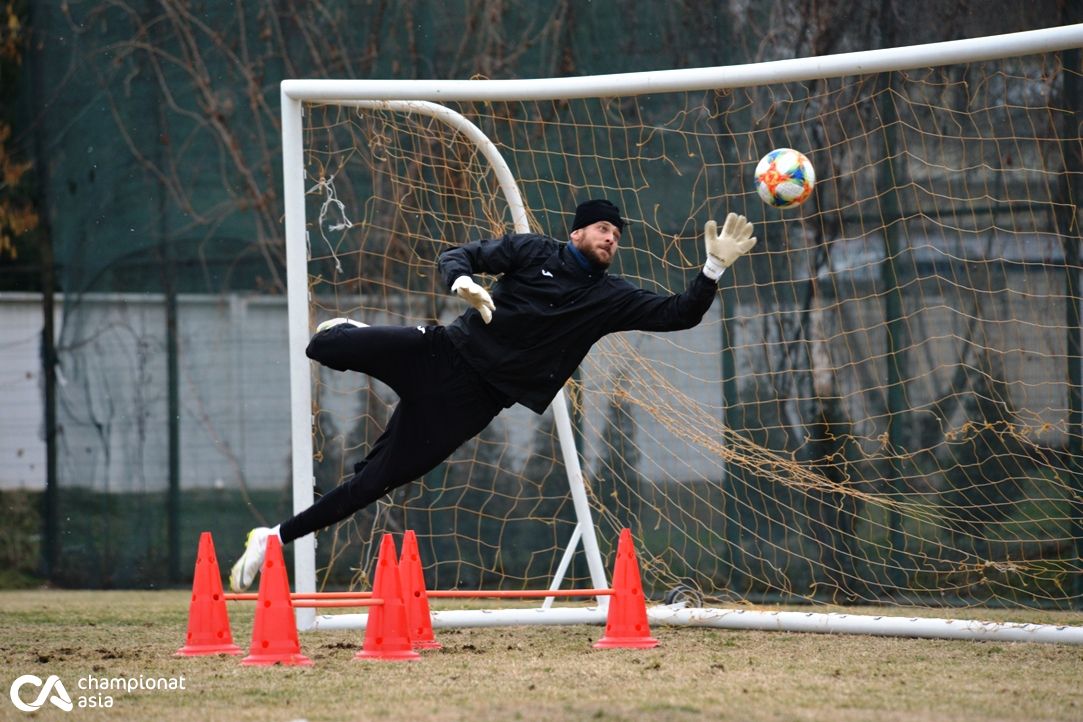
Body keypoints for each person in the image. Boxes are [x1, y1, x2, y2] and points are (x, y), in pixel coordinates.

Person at [229, 199, 756, 592]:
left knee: (373, 483)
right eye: (602, 228)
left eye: (617, 234)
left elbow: (679, 314)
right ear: (576, 232)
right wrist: (462, 284)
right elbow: (458, 253)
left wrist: (713, 269)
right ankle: (353, 330)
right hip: (441, 351)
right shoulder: (531, 251)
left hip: (471, 403)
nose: (611, 238)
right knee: (323, 346)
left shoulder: (610, 298)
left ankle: (272, 537)